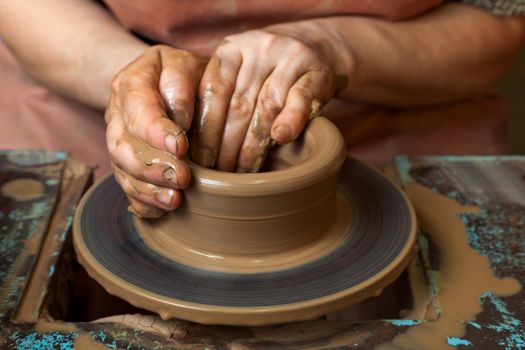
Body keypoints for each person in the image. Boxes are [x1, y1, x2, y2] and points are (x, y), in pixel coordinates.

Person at [0, 0, 524, 218]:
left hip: (405, 112)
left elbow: (496, 20)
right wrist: (136, 77)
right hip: (90, 86)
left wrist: (335, 46)